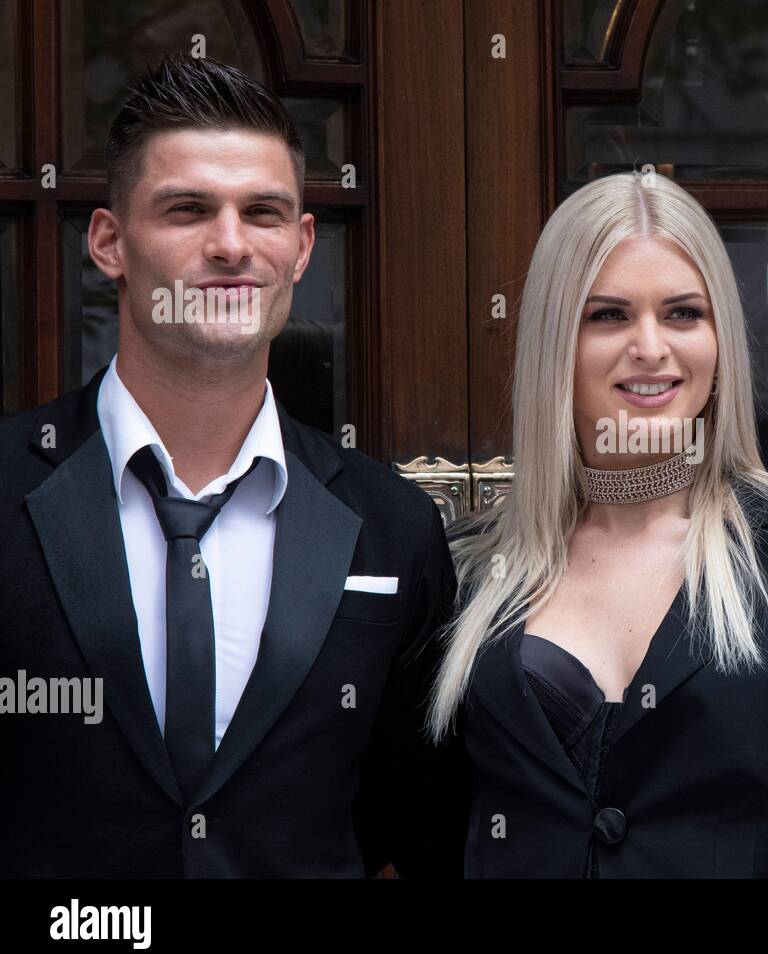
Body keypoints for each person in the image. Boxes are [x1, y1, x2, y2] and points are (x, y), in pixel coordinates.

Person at [0, 55, 464, 877]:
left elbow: (419, 826)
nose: (229, 244)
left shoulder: (392, 528)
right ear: (108, 242)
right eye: (187, 209)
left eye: (263, 213)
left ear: (301, 247)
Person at [429, 170, 768, 877]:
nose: (650, 347)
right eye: (609, 315)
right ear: (552, 345)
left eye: (683, 313)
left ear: (721, 343)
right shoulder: (467, 567)